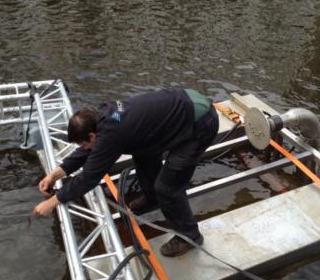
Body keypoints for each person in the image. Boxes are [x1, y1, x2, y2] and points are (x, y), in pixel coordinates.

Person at [33, 88, 219, 257]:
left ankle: (189, 236)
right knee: (143, 153)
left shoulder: (112, 134)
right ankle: (152, 197)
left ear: (92, 135)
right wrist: (55, 175)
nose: (85, 148)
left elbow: (89, 177)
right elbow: (87, 151)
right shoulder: (104, 117)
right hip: (181, 106)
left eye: (84, 143)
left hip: (200, 122)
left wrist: (53, 202)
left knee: (167, 188)